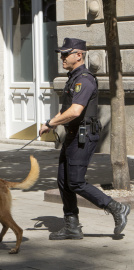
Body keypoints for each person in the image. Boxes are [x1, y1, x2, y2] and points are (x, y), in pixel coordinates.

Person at [39, 38, 130, 240]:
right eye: (61, 54)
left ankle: (116, 208)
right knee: (64, 181)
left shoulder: (84, 80)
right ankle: (72, 225)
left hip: (83, 137)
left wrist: (51, 123)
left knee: (76, 182)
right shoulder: (73, 78)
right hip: (73, 136)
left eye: (65, 54)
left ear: (78, 55)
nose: (62, 57)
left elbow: (75, 111)